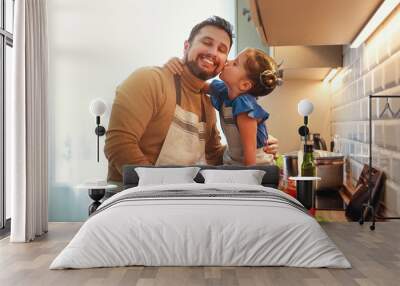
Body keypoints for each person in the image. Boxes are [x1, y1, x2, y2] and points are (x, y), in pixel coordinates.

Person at [104, 16, 279, 183]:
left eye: (222, 50)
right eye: (207, 43)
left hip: (181, 199)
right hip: (135, 199)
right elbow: (119, 145)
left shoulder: (208, 103)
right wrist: (156, 189)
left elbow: (213, 156)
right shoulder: (150, 80)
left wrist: (255, 147)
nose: (212, 52)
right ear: (186, 46)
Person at [165, 47, 283, 166]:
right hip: (234, 162)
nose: (228, 61)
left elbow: (250, 156)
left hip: (257, 167)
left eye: (235, 63)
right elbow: (198, 84)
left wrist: (247, 181)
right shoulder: (223, 91)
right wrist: (177, 65)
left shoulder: (245, 108)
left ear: (244, 84)